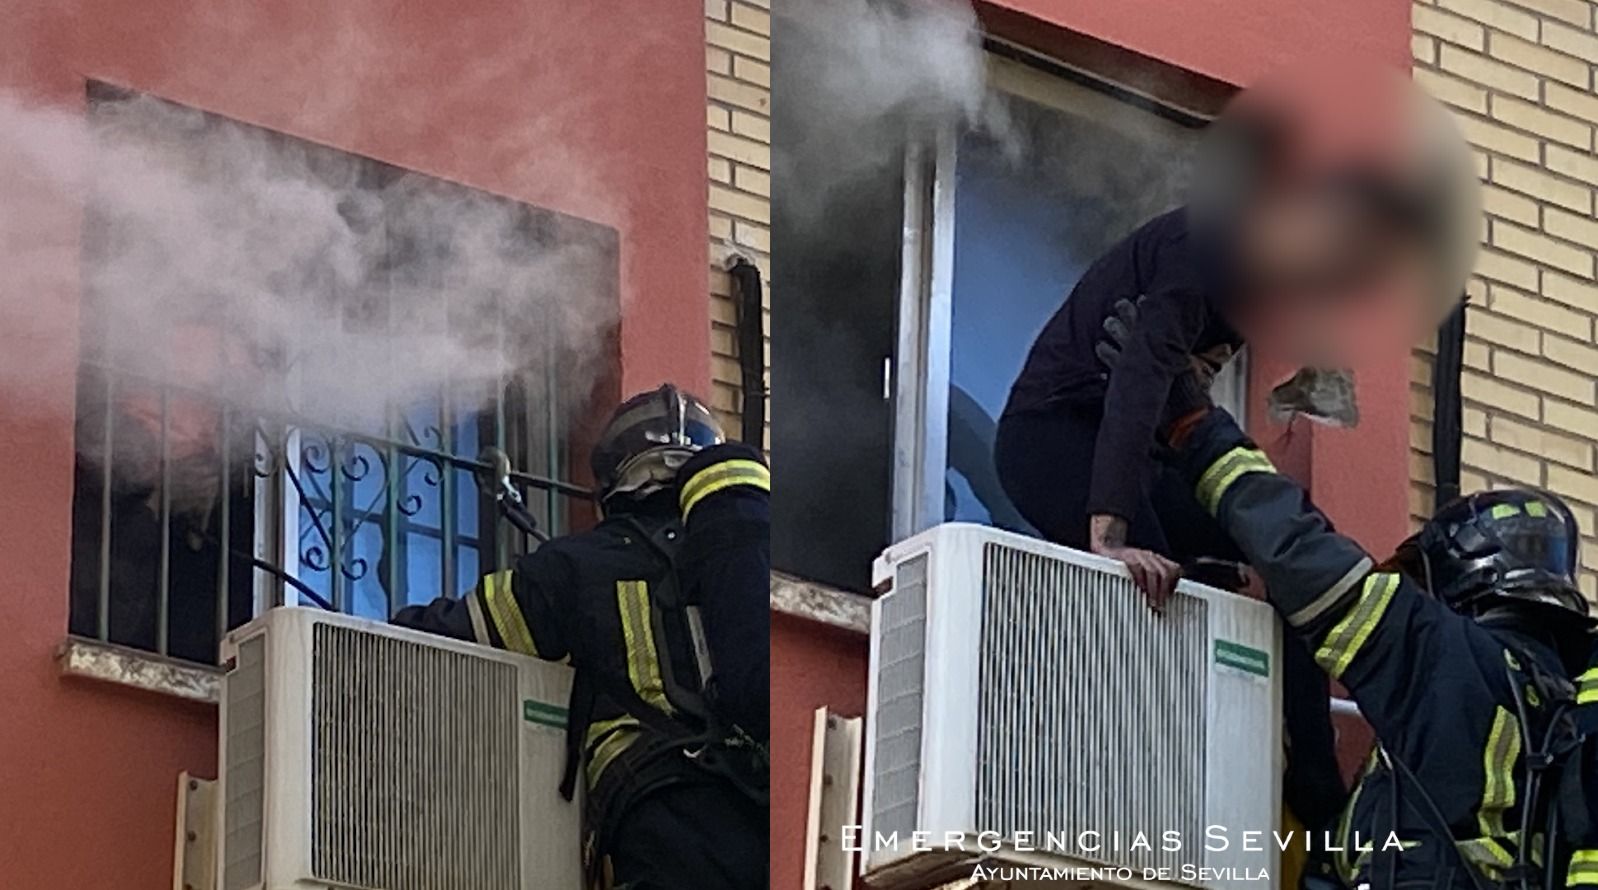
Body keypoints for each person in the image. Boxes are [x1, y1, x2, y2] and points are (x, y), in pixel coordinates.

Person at [1154, 363, 1598, 889]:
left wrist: (1200, 432)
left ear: (1462, 574)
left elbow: (1306, 558)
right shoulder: (1562, 706)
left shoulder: (1446, 656)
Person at [393, 384, 770, 890]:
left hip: (661, 817)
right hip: (761, 813)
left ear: (614, 481)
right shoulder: (748, 557)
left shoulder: (575, 565)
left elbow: (462, 633)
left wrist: (350, 629)